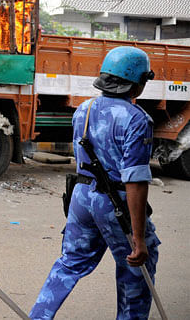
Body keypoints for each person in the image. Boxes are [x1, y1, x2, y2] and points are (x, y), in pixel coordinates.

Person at [29, 46, 161, 319]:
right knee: (135, 269)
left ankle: (38, 316)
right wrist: (139, 240)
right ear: (137, 84)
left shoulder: (84, 109)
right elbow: (135, 182)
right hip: (116, 204)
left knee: (70, 263)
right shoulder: (137, 119)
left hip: (82, 197)